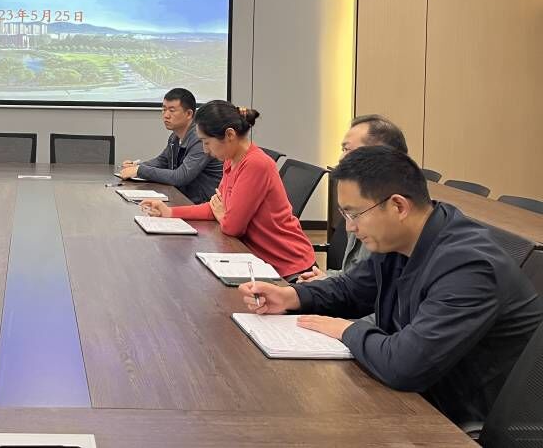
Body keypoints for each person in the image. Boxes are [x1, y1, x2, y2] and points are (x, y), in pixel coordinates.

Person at [239, 146, 543, 426]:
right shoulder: (401, 239)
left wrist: (346, 330)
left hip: (459, 423)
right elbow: (351, 290)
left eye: (354, 214)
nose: (350, 227)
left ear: (398, 206)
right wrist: (291, 296)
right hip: (418, 398)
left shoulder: (469, 267)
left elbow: (405, 365)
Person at [140, 101, 315, 280]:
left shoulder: (255, 164)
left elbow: (232, 227)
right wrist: (170, 212)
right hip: (256, 259)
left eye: (207, 142)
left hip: (288, 267)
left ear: (229, 135)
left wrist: (222, 213)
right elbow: (215, 207)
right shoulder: (231, 160)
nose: (205, 150)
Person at [298, 114, 409, 282]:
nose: (341, 158)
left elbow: (371, 285)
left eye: (347, 150)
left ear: (379, 153)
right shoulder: (360, 198)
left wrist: (327, 283)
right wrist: (325, 279)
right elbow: (355, 276)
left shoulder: (387, 209)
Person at [118, 87, 222, 204]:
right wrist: (136, 166)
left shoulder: (200, 139)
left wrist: (139, 170)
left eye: (172, 110)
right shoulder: (175, 137)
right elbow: (162, 161)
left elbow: (181, 176)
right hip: (184, 199)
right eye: (164, 109)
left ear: (189, 114)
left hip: (203, 205)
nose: (166, 115)